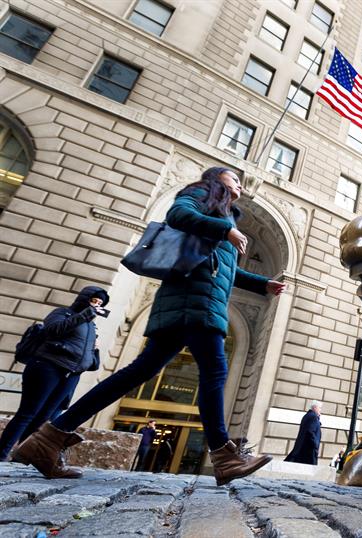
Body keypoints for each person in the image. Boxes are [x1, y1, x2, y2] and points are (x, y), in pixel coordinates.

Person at [13, 167, 286, 485]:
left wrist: (263, 283)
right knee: (214, 372)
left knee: (136, 373)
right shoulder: (202, 193)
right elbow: (177, 215)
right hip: (193, 303)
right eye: (232, 177)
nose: (239, 182)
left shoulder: (224, 214)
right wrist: (224, 230)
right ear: (215, 179)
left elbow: (220, 267)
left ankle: (47, 439)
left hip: (193, 301)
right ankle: (224, 456)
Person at [0, 286, 110, 466]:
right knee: (28, 413)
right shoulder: (63, 313)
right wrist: (86, 314)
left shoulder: (91, 326)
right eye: (94, 301)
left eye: (100, 303)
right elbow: (53, 330)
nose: (96, 305)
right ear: (85, 299)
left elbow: (89, 361)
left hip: (71, 374)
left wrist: (95, 349)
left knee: (45, 418)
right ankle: (1, 453)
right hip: (47, 366)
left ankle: (21, 457)